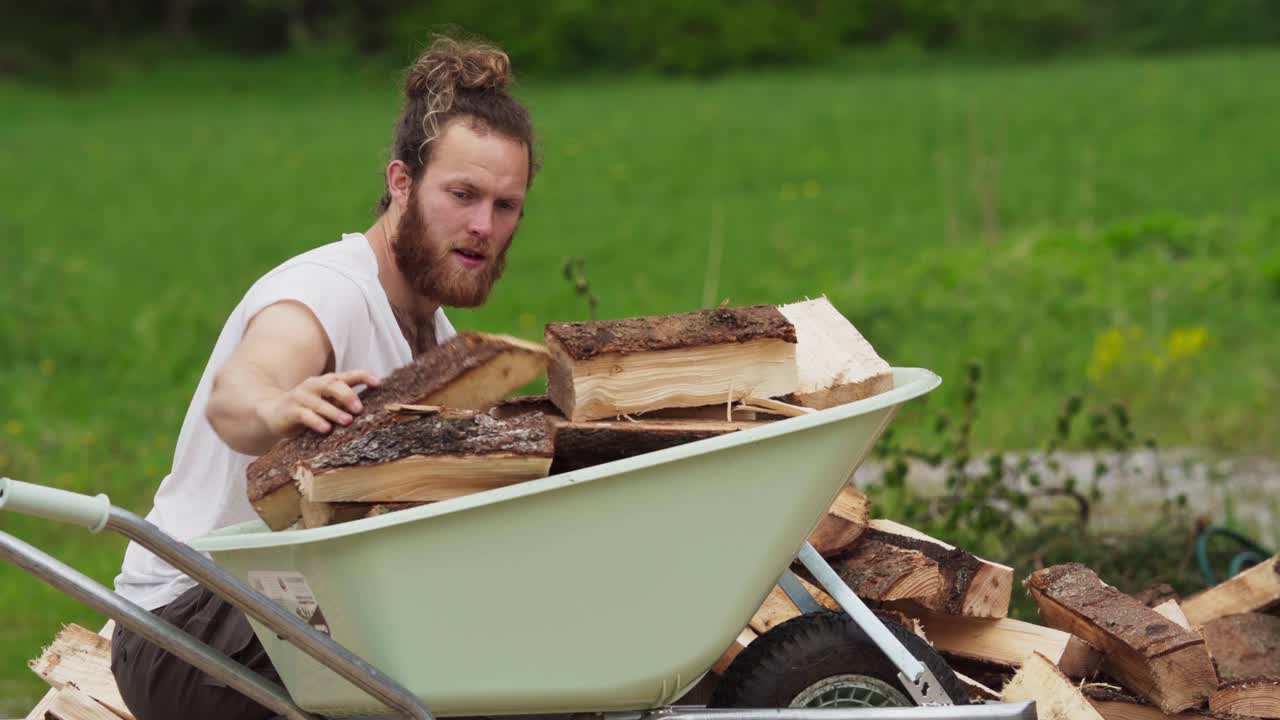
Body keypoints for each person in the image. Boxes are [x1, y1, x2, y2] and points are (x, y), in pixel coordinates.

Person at [108, 35, 537, 720]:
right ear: (402, 184)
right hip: (189, 629)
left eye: (505, 205)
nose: (483, 225)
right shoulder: (326, 292)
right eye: (462, 194)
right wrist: (278, 406)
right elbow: (236, 395)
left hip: (298, 604)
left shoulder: (443, 343)